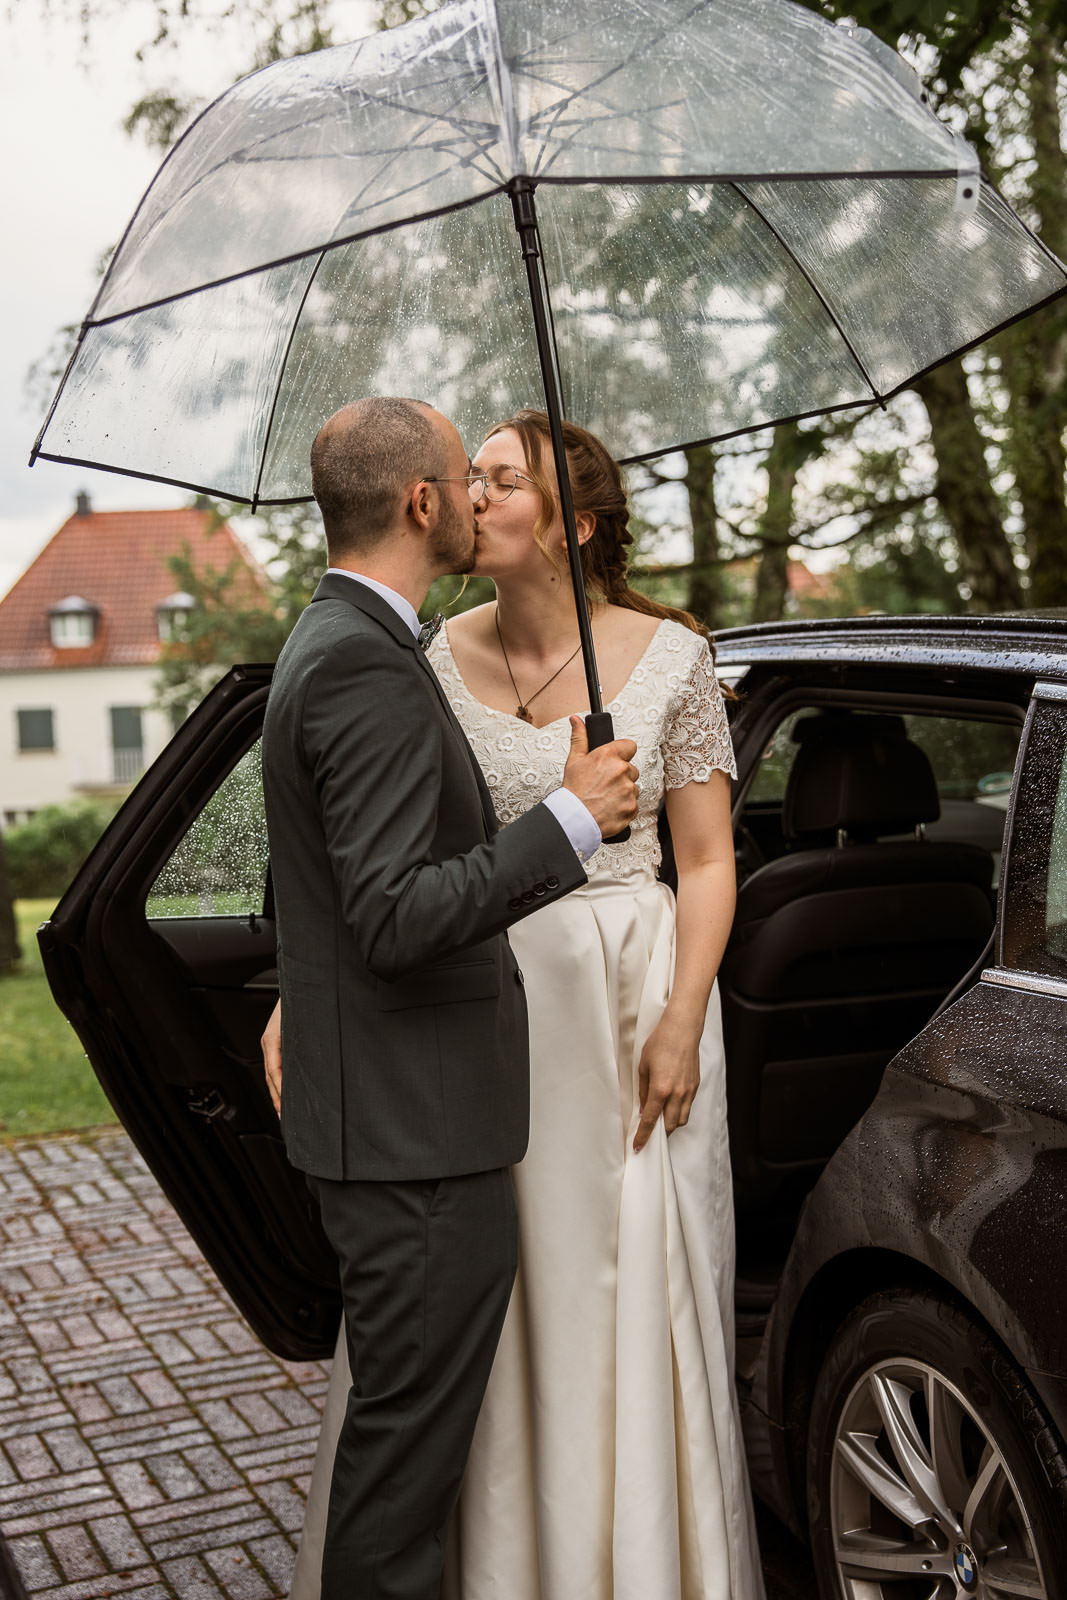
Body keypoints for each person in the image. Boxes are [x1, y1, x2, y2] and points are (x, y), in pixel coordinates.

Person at [281, 408, 765, 1599]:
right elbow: (370, 853)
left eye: (503, 479)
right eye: (470, 477)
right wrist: (307, 986)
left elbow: (707, 859)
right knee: (472, 1305)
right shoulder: (418, 656)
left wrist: (681, 1013)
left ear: (574, 522)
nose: (476, 495)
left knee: (619, 1283)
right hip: (467, 1012)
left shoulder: (672, 659)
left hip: (627, 1002)